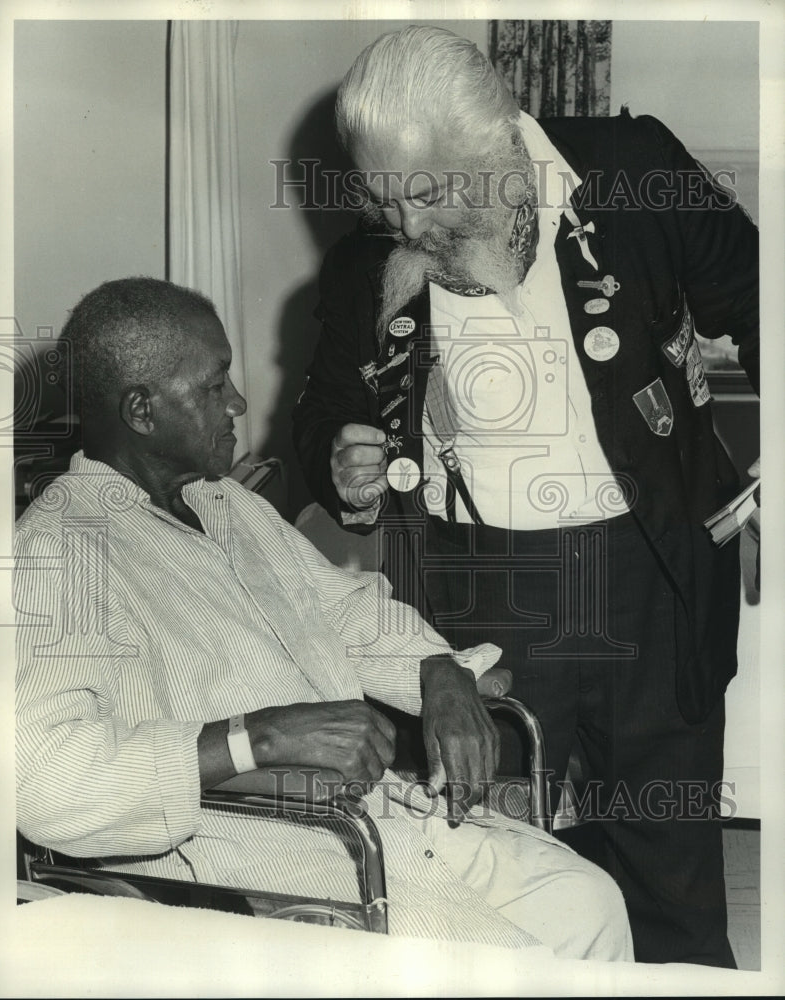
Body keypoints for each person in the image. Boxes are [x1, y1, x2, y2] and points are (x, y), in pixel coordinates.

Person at [291, 26, 759, 967]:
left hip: (650, 569)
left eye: (428, 195)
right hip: (477, 594)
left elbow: (761, 300)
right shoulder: (370, 261)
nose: (408, 228)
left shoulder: (633, 172)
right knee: (488, 875)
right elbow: (325, 407)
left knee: (669, 869)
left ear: (499, 139)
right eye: (384, 199)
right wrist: (340, 460)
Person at [15, 276, 634, 962]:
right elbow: (49, 783)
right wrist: (259, 738)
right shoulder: (59, 552)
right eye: (215, 385)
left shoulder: (228, 505)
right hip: (251, 867)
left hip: (371, 823)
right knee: (513, 962)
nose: (238, 403)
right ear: (141, 409)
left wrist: (440, 673)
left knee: (587, 901)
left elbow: (346, 610)